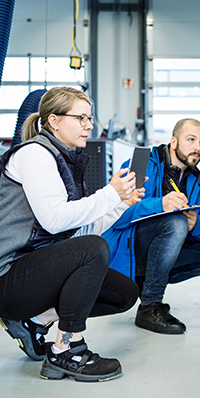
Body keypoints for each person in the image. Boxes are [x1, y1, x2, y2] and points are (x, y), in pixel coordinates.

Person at [0, 87, 143, 382]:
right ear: (54, 120)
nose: (89, 125)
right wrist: (109, 194)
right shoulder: (35, 154)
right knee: (93, 249)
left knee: (124, 294)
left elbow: (77, 231)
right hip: (8, 278)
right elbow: (53, 221)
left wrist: (119, 204)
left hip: (34, 272)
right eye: (81, 118)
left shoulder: (62, 158)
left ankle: (34, 321)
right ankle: (66, 350)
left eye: (89, 118)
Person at [102, 118, 200, 335]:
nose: (198, 148)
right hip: (132, 246)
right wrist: (160, 204)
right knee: (176, 222)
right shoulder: (141, 163)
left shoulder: (195, 179)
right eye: (191, 139)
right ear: (173, 142)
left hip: (166, 249)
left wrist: (195, 223)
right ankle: (149, 305)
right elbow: (117, 215)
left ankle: (152, 277)